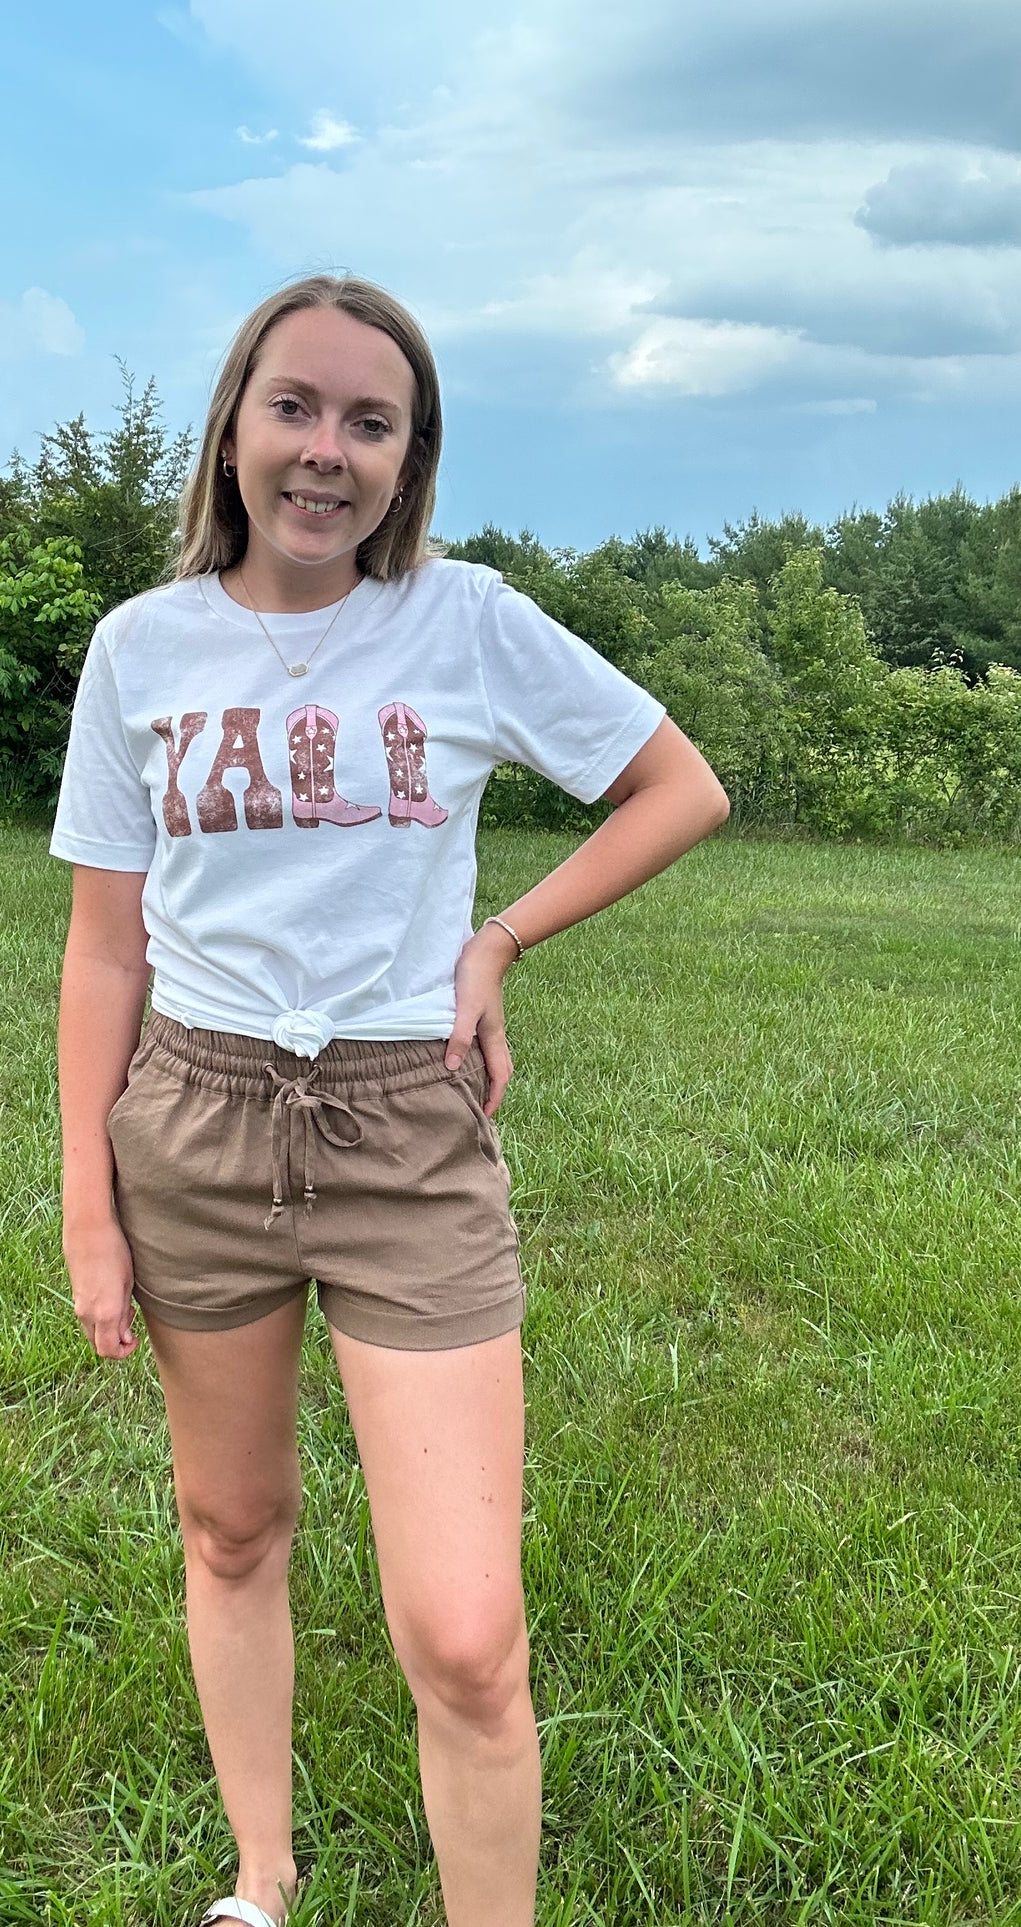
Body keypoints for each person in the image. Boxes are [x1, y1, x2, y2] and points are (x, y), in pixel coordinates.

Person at [51, 271, 730, 1927]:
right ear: (233, 423)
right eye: (294, 406)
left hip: (403, 1134)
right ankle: (260, 1877)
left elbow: (676, 787)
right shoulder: (141, 648)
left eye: (371, 423)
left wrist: (498, 938)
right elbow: (103, 948)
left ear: (408, 459)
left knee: (466, 1635)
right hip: (194, 1126)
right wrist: (88, 1201)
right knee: (231, 1529)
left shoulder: (464, 621)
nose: (325, 451)